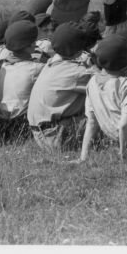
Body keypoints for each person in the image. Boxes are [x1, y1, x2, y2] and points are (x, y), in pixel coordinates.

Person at [26, 21, 100, 154]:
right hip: (56, 137)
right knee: (107, 112)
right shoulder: (76, 73)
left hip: (43, 133)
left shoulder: (52, 62)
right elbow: (106, 83)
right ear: (80, 49)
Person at [79, 36, 127, 163]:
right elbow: (124, 124)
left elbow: (91, 122)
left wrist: (83, 156)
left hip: (114, 137)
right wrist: (123, 156)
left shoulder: (92, 82)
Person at [0, 20, 46, 136]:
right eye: (33, 41)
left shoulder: (4, 66)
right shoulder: (36, 69)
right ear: (30, 45)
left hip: (2, 119)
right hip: (22, 124)